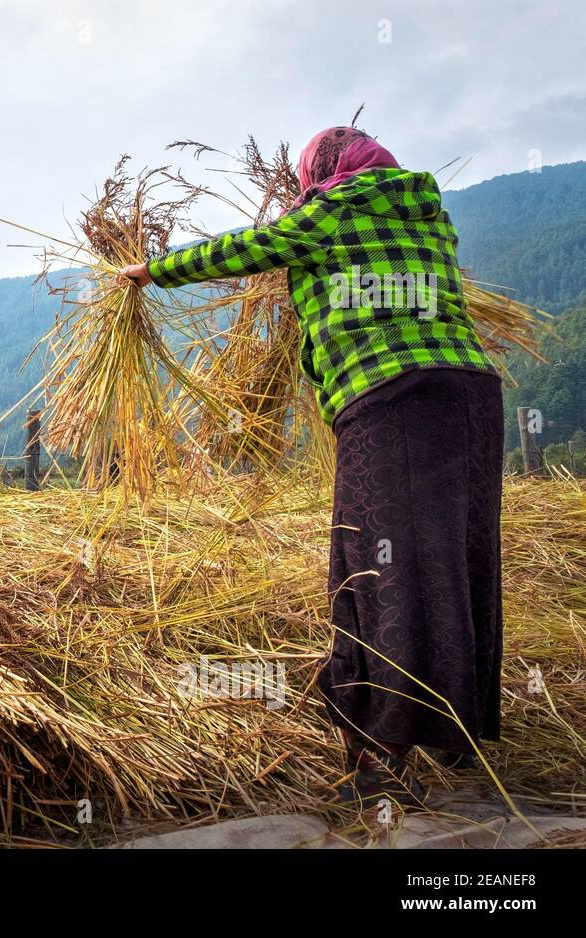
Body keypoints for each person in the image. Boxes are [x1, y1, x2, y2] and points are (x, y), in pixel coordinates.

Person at [122, 126, 502, 803]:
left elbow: (248, 248)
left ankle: (383, 750)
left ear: (323, 172)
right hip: (470, 396)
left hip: (391, 398)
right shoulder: (430, 215)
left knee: (375, 568)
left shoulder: (329, 209)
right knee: (452, 556)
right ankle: (455, 726)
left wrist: (154, 271)